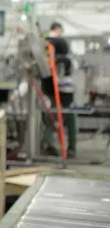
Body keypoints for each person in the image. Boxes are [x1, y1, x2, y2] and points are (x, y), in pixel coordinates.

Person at [41, 22, 76, 157]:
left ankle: (50, 144)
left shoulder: (59, 59)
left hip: (57, 90)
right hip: (61, 91)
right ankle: (64, 146)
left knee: (54, 117)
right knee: (61, 117)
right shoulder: (60, 51)